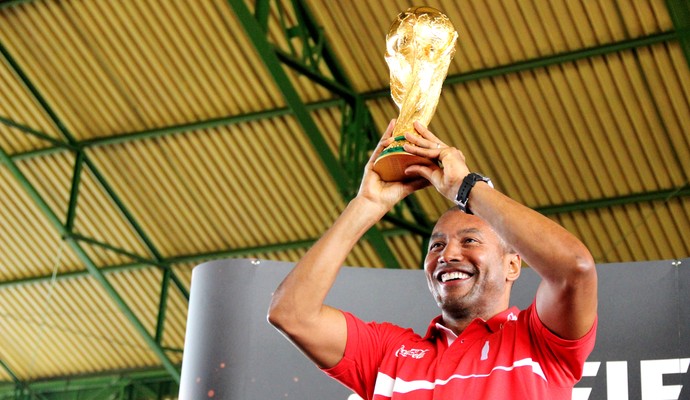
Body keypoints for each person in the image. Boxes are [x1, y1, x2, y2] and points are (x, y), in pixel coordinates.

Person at [267, 120, 598, 399]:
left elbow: (575, 269)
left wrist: (465, 188)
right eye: (436, 246)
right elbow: (292, 314)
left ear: (513, 265)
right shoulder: (389, 353)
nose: (448, 255)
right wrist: (367, 204)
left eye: (469, 240)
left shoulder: (539, 340)